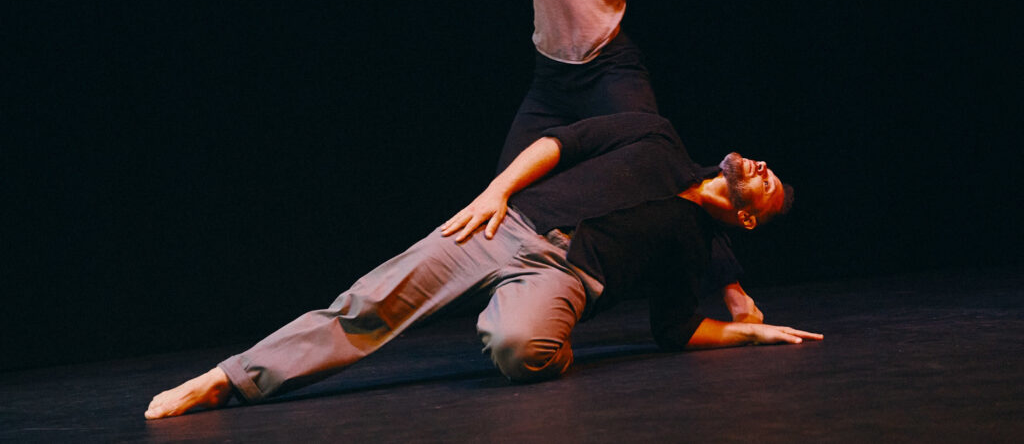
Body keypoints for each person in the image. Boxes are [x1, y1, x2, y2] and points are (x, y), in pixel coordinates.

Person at [145, 112, 821, 419]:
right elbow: (562, 141)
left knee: (518, 346)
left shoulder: (694, 246)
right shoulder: (657, 136)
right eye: (765, 163)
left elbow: (675, 329)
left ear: (751, 215)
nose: (759, 165)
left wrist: (748, 333)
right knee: (371, 300)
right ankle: (228, 378)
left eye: (768, 180)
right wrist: (495, 192)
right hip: (506, 223)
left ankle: (533, 328)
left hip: (560, 278)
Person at [375, 0, 770, 319]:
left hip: (611, 69)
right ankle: (507, 299)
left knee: (667, 173)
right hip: (551, 81)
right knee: (504, 195)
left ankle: (731, 289)